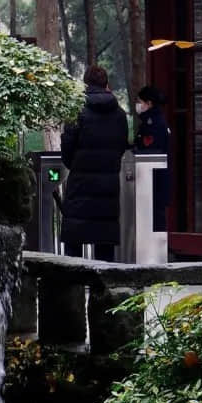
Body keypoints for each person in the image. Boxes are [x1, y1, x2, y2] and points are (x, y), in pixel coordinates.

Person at [60, 65, 129, 260]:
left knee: (74, 244)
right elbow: (121, 146)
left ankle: (73, 288)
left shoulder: (76, 111)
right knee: (104, 242)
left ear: (86, 84)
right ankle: (103, 288)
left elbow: (67, 148)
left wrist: (77, 165)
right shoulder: (120, 115)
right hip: (108, 186)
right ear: (107, 84)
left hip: (80, 185)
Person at [134, 84, 170, 232]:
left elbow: (148, 151)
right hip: (153, 181)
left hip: (154, 180)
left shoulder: (153, 124)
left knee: (155, 219)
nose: (138, 105)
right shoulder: (151, 121)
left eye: (140, 102)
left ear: (148, 103)